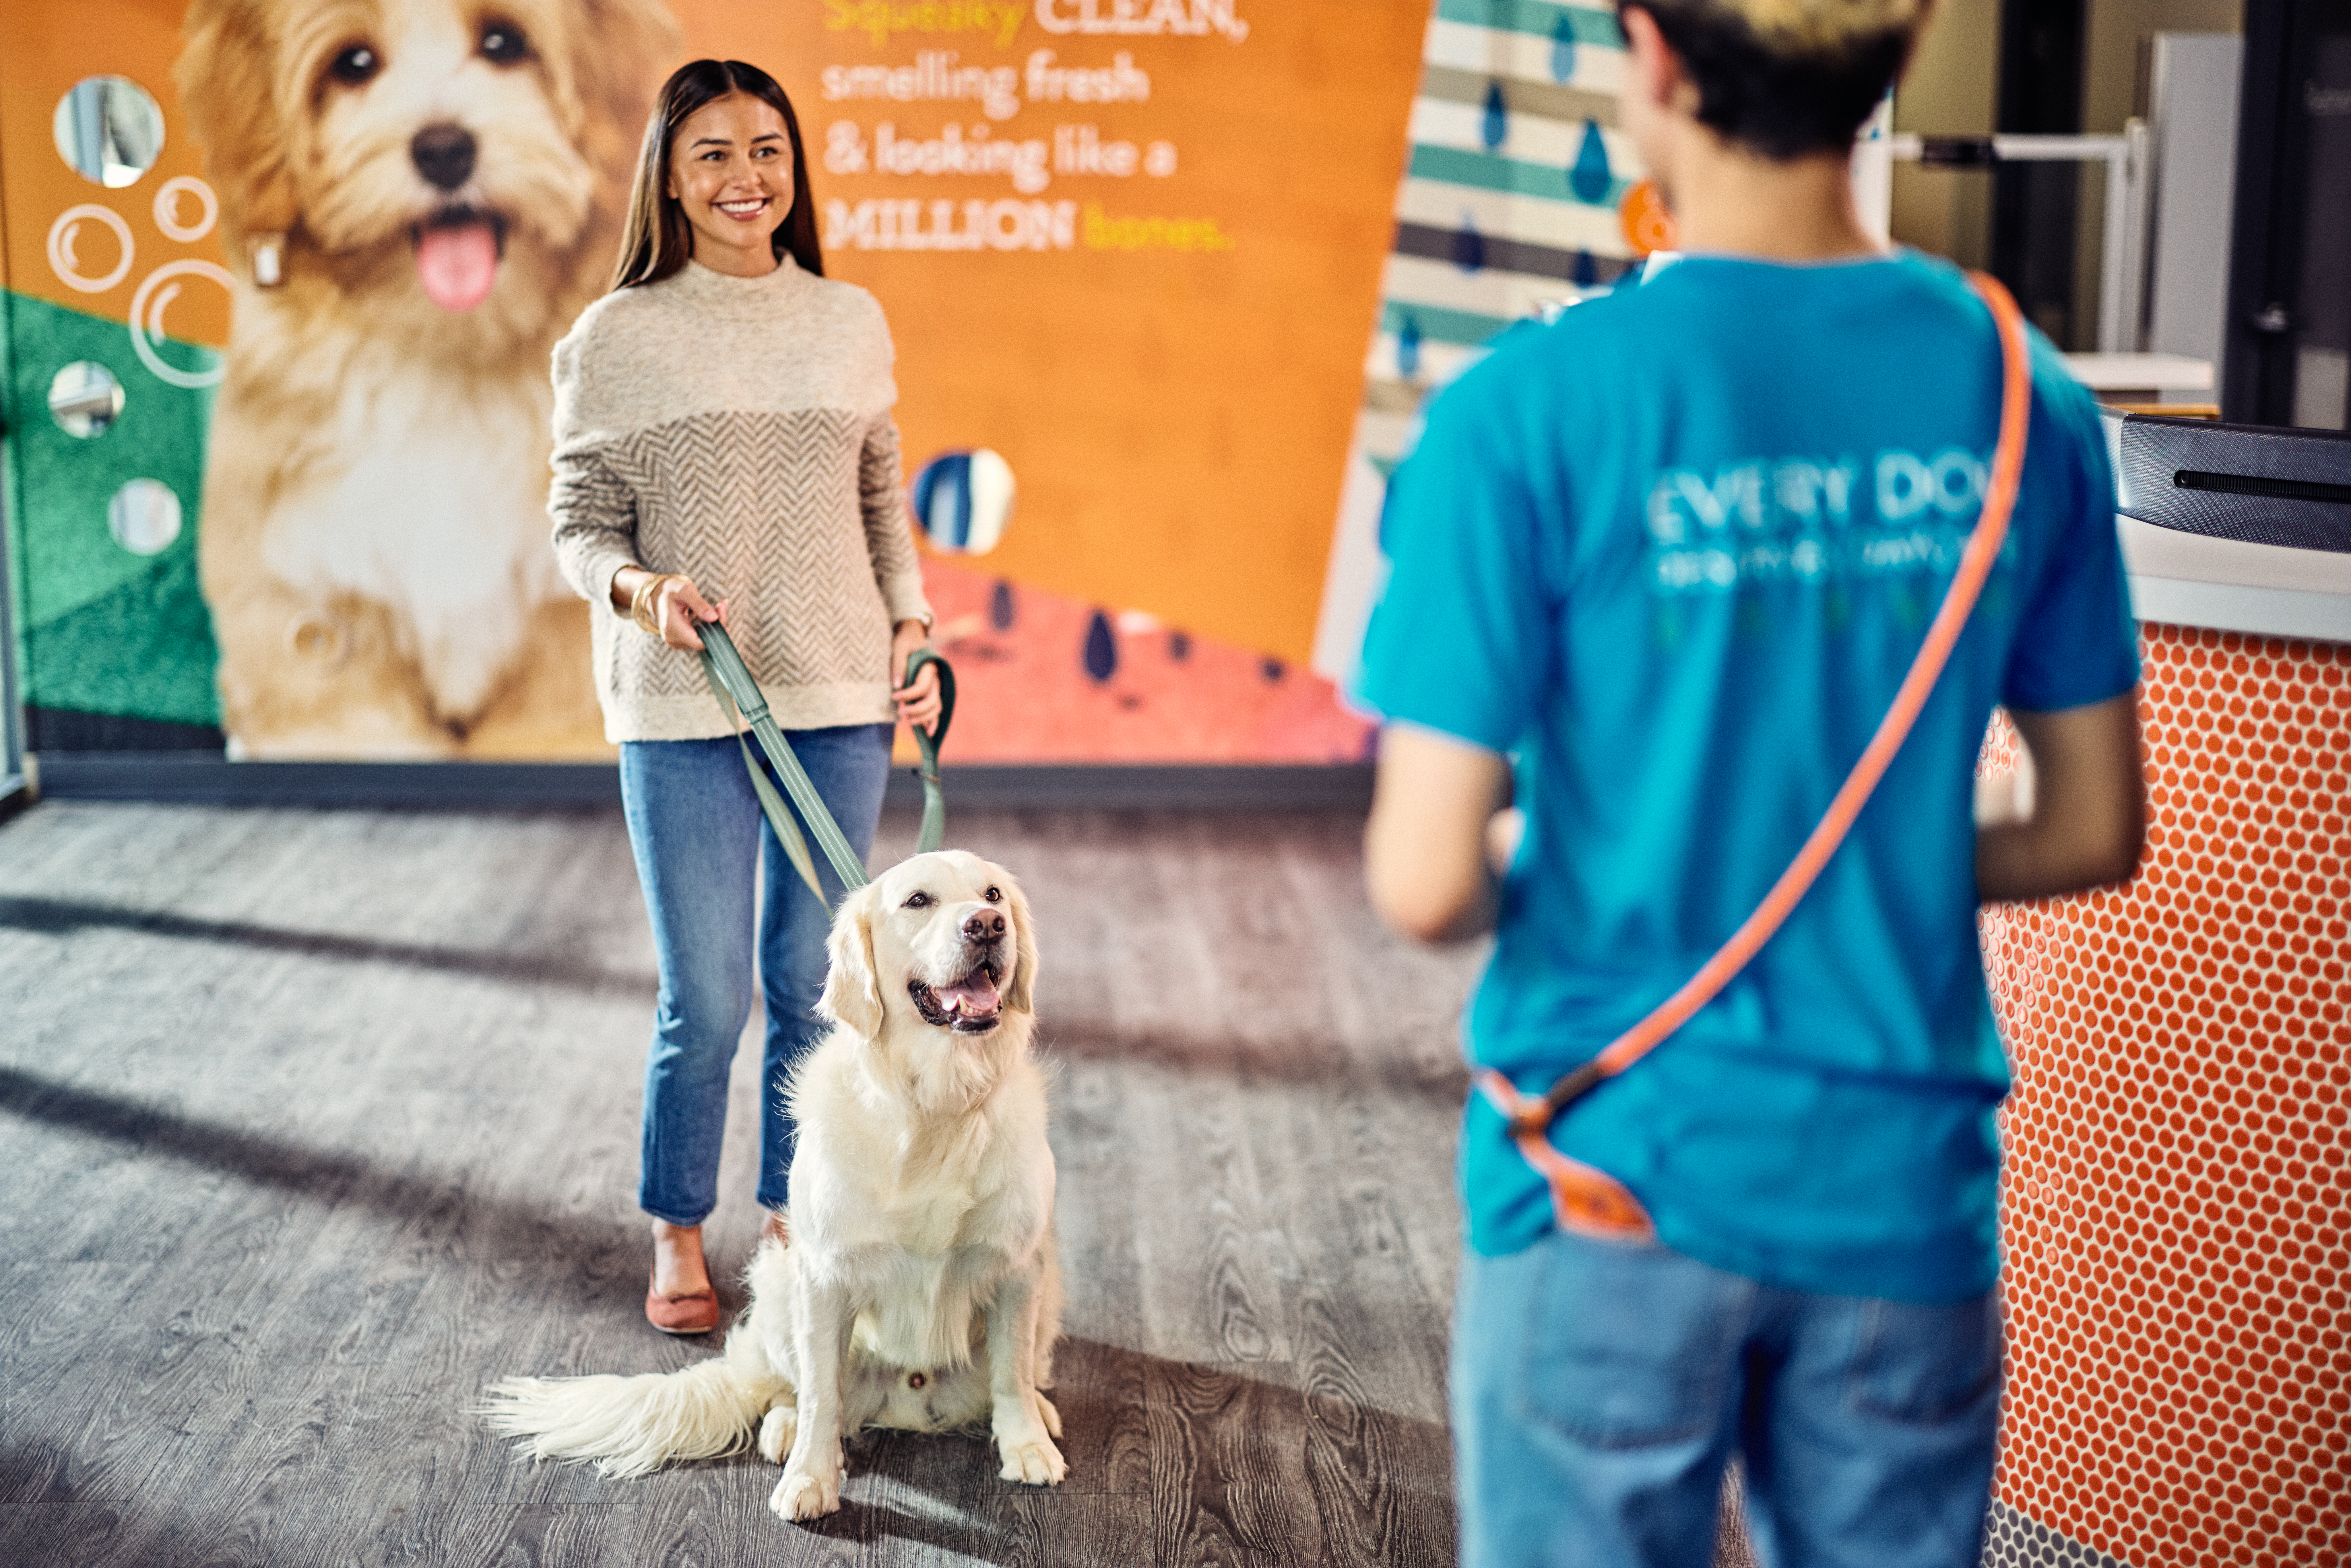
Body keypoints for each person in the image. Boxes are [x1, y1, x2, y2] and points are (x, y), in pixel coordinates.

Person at [1354, 3, 2145, 1565]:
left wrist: (1651, 843)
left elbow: (1426, 877)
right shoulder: (2021, 395)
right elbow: (2089, 820)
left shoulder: (1525, 414)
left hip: (1613, 1177)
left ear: (1655, 57)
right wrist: (1869, 858)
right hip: (1900, 1202)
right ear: (1897, 63)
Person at [547, 59, 942, 1336]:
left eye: (766, 149)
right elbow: (578, 527)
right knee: (704, 994)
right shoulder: (614, 339)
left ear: (793, 167)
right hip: (680, 699)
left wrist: (913, 628)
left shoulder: (848, 317)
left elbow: (881, 500)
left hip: (836, 692)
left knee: (810, 977)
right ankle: (676, 1225)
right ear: (668, 172)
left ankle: (784, 1214)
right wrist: (640, 589)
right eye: (712, 153)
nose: (743, 177)